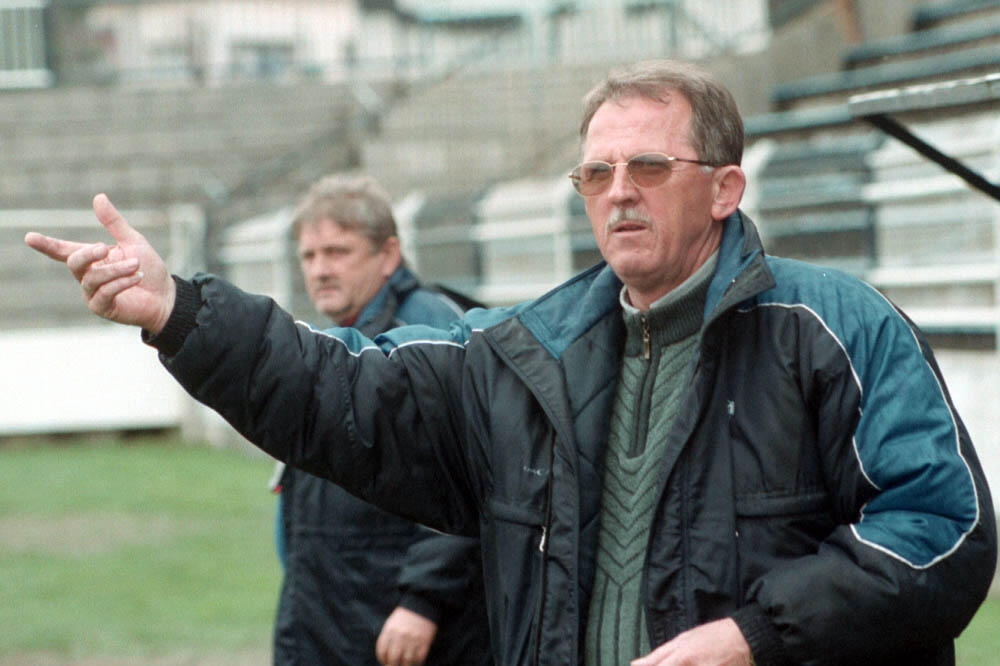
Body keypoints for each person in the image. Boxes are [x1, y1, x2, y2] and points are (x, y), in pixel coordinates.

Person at [26, 59, 997, 666]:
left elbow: (940, 531)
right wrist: (180, 312)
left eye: (648, 167)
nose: (617, 192)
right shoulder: (530, 348)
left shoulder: (836, 326)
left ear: (724, 188)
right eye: (595, 172)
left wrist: (754, 638)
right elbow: (343, 390)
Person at [265, 174, 492, 666]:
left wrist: (424, 599)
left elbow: (477, 473)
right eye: (309, 256)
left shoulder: (433, 333)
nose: (320, 270)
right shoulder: (335, 338)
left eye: (337, 252)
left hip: (406, 626)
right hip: (335, 615)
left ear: (389, 255)